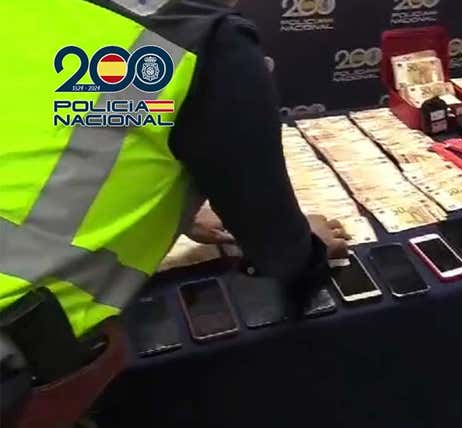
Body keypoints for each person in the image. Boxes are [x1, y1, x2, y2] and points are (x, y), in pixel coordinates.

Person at [0, 0, 346, 425]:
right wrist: (308, 245)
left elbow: (54, 133)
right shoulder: (209, 43)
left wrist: (176, 210)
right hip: (14, 354)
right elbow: (277, 248)